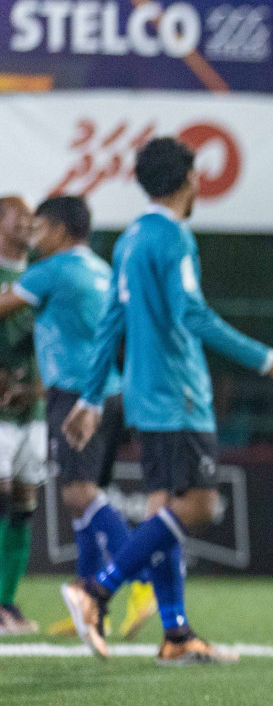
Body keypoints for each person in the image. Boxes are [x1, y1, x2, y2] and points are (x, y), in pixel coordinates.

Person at [60, 137, 273, 665]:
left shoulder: (129, 240)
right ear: (187, 180)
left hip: (145, 395)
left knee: (161, 508)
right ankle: (98, 590)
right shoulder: (173, 239)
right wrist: (270, 360)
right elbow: (192, 315)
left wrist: (90, 398)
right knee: (196, 504)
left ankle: (175, 634)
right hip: (180, 392)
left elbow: (110, 323)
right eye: (196, 175)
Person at [0, 196, 157, 640]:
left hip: (74, 397)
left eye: (41, 226)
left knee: (80, 494)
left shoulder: (53, 270)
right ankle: (90, 605)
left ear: (61, 230)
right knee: (85, 503)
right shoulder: (101, 270)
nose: (35, 233)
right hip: (111, 394)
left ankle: (141, 579)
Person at [0, 196, 46, 635]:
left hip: (33, 410)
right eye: (21, 216)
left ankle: (6, 603)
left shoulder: (42, 277)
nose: (31, 223)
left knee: (23, 507)